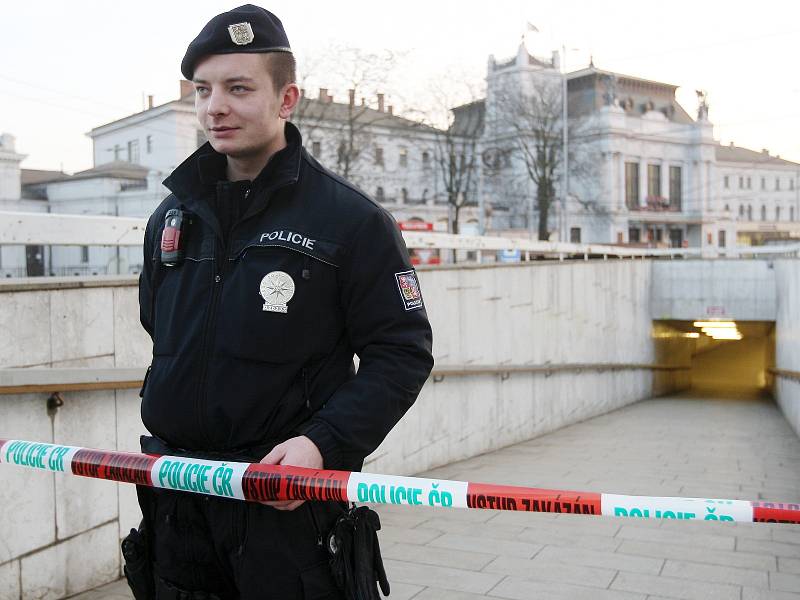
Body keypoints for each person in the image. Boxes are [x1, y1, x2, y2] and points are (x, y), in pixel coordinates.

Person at [134, 5, 434, 599]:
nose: (214, 106)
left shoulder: (351, 220)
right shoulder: (172, 216)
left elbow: (401, 353)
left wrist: (322, 444)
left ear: (286, 98)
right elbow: (159, 329)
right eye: (203, 90)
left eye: (238, 88)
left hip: (287, 515)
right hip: (178, 504)